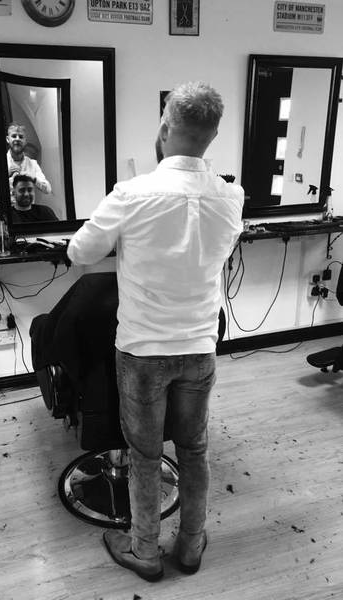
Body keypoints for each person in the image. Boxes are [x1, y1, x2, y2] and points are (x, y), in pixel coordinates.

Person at [67, 81, 244, 582]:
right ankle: (190, 544)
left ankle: (145, 550)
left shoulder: (131, 193)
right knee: (194, 449)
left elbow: (79, 252)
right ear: (212, 136)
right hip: (200, 347)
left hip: (143, 351)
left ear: (164, 128)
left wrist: (127, 239)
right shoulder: (231, 196)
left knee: (145, 455)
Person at [6, 122, 52, 196]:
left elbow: (48, 189)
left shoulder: (33, 164)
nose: (17, 139)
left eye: (21, 137)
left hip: (27, 202)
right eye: (14, 136)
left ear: (25, 141)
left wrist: (33, 178)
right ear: (8, 139)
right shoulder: (0, 163)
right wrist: (5, 175)